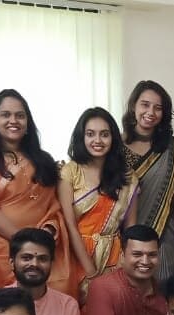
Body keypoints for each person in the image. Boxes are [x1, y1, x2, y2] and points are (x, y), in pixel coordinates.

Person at [0, 89, 71, 295]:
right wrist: (25, 244)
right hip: (1, 251)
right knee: (9, 306)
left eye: (20, 115)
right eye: (5, 115)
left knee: (50, 306)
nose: (13, 120)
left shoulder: (42, 159)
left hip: (42, 249)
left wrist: (47, 233)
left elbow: (53, 207)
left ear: (28, 121)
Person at [57, 107, 135, 296]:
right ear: (81, 137)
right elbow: (69, 225)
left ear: (113, 138)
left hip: (115, 259)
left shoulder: (128, 177)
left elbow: (131, 230)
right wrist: (91, 273)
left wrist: (129, 267)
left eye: (104, 134)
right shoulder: (70, 172)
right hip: (76, 256)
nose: (97, 140)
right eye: (90, 134)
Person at [123, 80, 174, 283]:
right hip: (121, 237)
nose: (150, 112)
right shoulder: (114, 146)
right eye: (145, 104)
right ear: (133, 106)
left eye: (158, 108)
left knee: (163, 291)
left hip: (164, 236)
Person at [82, 224, 169, 315]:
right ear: (122, 256)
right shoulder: (103, 288)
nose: (145, 261)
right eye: (137, 254)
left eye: (152, 255)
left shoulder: (163, 291)